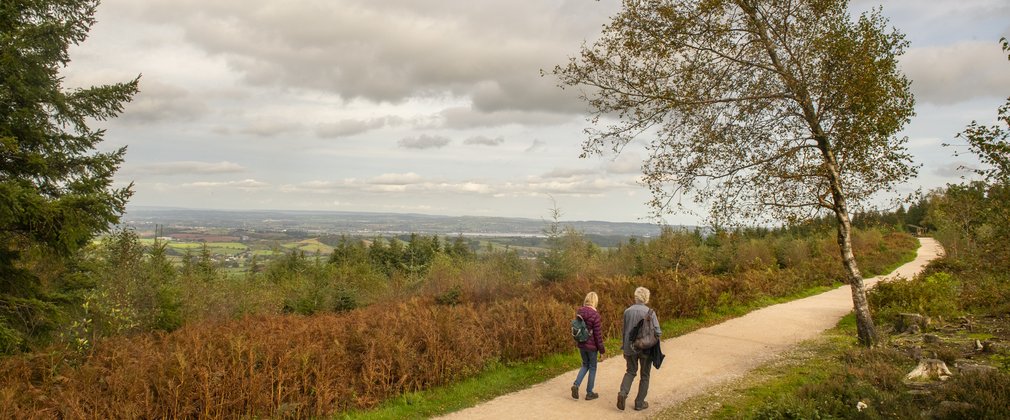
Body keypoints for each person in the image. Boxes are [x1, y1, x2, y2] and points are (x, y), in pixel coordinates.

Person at [617, 286, 661, 411]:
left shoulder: (627, 311)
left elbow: (624, 331)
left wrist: (624, 348)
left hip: (630, 347)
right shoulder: (650, 313)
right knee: (645, 375)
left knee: (630, 371)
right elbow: (658, 331)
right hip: (646, 349)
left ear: (636, 297)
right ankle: (639, 403)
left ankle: (623, 393)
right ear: (646, 298)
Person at [571, 291, 605, 400]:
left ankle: (576, 384)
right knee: (592, 367)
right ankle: (589, 393)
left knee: (585, 365)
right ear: (595, 301)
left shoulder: (580, 311)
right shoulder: (595, 315)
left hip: (581, 344)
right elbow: (598, 335)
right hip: (592, 347)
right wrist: (602, 351)